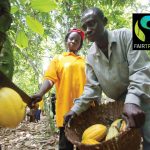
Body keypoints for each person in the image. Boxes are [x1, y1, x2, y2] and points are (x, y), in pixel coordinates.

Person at [64, 7, 150, 150]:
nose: (87, 30)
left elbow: (142, 70)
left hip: (143, 94)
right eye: (84, 27)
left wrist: (132, 100)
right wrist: (75, 110)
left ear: (104, 22)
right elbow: (92, 88)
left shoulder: (128, 35)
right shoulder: (90, 56)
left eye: (92, 23)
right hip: (120, 103)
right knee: (127, 141)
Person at [31, 28, 86, 150]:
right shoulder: (58, 59)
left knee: (87, 143)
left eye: (77, 40)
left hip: (86, 109)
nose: (73, 41)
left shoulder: (85, 60)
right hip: (66, 109)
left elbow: (93, 83)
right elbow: (50, 79)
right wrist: (40, 93)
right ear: (66, 40)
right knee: (65, 145)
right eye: (71, 38)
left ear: (80, 45)